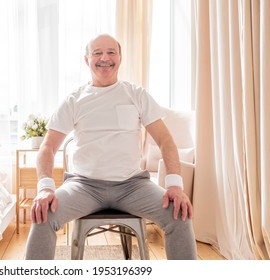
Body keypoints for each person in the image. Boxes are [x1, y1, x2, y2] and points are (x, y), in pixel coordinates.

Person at [25, 34, 197, 260]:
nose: (104, 58)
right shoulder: (73, 100)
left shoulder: (136, 95)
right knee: (43, 215)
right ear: (87, 60)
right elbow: (47, 147)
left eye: (110, 52)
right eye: (97, 53)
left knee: (179, 215)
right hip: (84, 186)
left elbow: (166, 140)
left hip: (133, 186)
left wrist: (175, 185)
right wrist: (45, 187)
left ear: (120, 58)